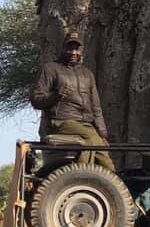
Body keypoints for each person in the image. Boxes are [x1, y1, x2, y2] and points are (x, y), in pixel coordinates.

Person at [30, 30, 115, 171]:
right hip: (60, 121)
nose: (73, 52)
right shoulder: (50, 69)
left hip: (86, 125)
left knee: (106, 161)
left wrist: (102, 135)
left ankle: (112, 185)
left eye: (76, 49)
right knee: (88, 140)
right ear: (63, 48)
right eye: (69, 48)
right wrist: (55, 96)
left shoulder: (87, 74)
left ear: (81, 51)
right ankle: (81, 177)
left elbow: (96, 107)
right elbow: (36, 100)